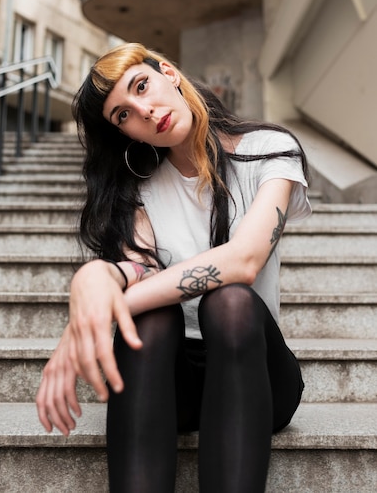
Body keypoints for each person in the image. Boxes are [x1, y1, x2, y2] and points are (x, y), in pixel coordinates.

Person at [36, 42, 311, 493]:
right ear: (127, 135)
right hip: (171, 383)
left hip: (256, 369)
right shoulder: (139, 189)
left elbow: (244, 260)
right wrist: (93, 278)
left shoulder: (269, 150)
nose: (144, 110)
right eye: (123, 115)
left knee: (230, 301)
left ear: (169, 72)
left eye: (142, 86)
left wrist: (90, 322)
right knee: (149, 318)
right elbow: (133, 267)